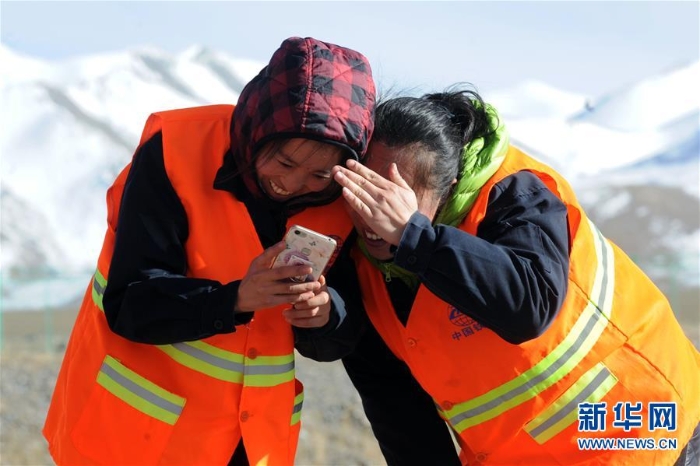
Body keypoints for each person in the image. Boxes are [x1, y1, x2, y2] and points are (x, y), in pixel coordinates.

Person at [296, 88, 700, 465]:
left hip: (646, 432)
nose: (374, 217)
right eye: (364, 193)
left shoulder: (515, 195)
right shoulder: (367, 266)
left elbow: (528, 306)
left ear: (447, 190)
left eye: (393, 197)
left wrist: (412, 234)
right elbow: (395, 403)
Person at [43, 36, 376, 466]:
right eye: (285, 163)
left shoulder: (339, 199)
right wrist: (234, 299)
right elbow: (130, 304)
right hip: (129, 440)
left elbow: (335, 341)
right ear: (258, 131)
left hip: (248, 447)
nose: (292, 186)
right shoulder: (175, 153)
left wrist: (325, 314)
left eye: (317, 174)